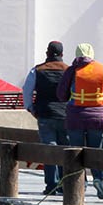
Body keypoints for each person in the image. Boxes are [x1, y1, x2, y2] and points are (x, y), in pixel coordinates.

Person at [57, 43, 103, 199]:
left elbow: (61, 94)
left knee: (76, 152)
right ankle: (100, 179)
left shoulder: (72, 70)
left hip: (76, 117)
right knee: (95, 151)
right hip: (97, 117)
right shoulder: (101, 69)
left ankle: (79, 185)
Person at [22, 40, 70, 196]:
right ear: (62, 54)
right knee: (65, 149)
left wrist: (31, 109)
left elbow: (27, 91)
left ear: (47, 53)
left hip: (45, 114)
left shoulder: (37, 70)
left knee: (49, 149)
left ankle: (51, 185)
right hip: (65, 115)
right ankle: (64, 185)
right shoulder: (69, 70)